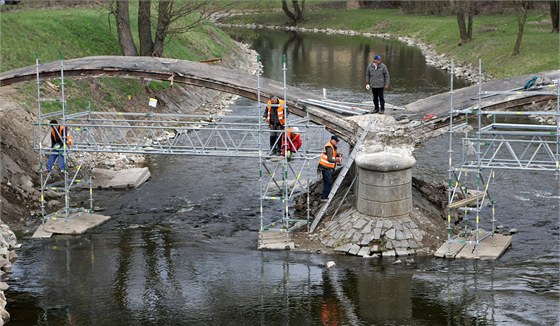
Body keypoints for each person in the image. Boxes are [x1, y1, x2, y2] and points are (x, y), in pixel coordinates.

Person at [318, 135, 342, 202]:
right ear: (332, 140)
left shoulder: (332, 146)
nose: (336, 143)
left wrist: (337, 155)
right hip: (325, 167)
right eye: (336, 141)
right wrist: (337, 160)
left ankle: (325, 196)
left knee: (327, 182)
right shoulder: (329, 147)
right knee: (328, 182)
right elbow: (329, 159)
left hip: (327, 167)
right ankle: (324, 197)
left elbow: (332, 155)